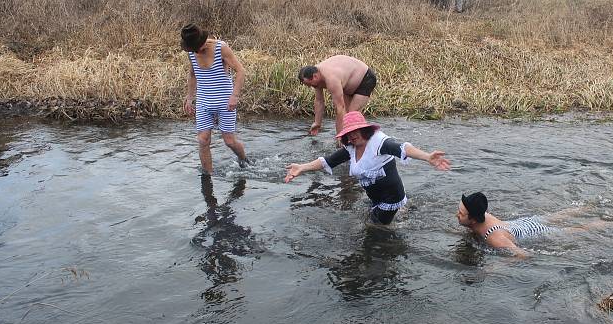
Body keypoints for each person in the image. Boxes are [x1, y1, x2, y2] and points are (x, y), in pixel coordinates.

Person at [284, 111, 450, 225]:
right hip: (375, 197)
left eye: (356, 131)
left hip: (391, 198)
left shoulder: (380, 143)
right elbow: (327, 161)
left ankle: (398, 216)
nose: (352, 136)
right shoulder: (351, 148)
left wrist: (427, 156)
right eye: (349, 133)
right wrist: (302, 168)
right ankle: (402, 212)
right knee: (370, 219)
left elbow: (402, 149)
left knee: (374, 227)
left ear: (365, 130)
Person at [181, 23, 252, 173]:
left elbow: (241, 71)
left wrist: (235, 96)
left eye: (196, 48)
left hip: (225, 102)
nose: (195, 51)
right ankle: (208, 176)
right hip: (204, 101)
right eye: (192, 49)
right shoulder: (191, 51)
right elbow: (193, 74)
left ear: (202, 42)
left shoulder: (221, 47)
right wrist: (189, 98)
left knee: (229, 141)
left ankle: (244, 159)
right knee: (203, 140)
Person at [457, 192, 604, 258]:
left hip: (534, 231)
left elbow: (523, 255)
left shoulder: (493, 237)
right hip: (523, 222)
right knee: (560, 215)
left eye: (461, 213)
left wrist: (496, 268)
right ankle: (592, 206)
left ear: (474, 219)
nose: (456, 215)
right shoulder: (483, 214)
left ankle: (610, 223)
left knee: (574, 230)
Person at [298, 55, 377, 135]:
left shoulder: (331, 78)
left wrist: (340, 135)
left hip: (365, 79)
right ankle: (354, 138)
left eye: (310, 84)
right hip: (349, 84)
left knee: (351, 115)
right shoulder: (316, 74)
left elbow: (340, 108)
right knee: (347, 116)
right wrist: (317, 123)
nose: (310, 87)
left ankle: (365, 137)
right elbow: (319, 101)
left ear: (315, 76)